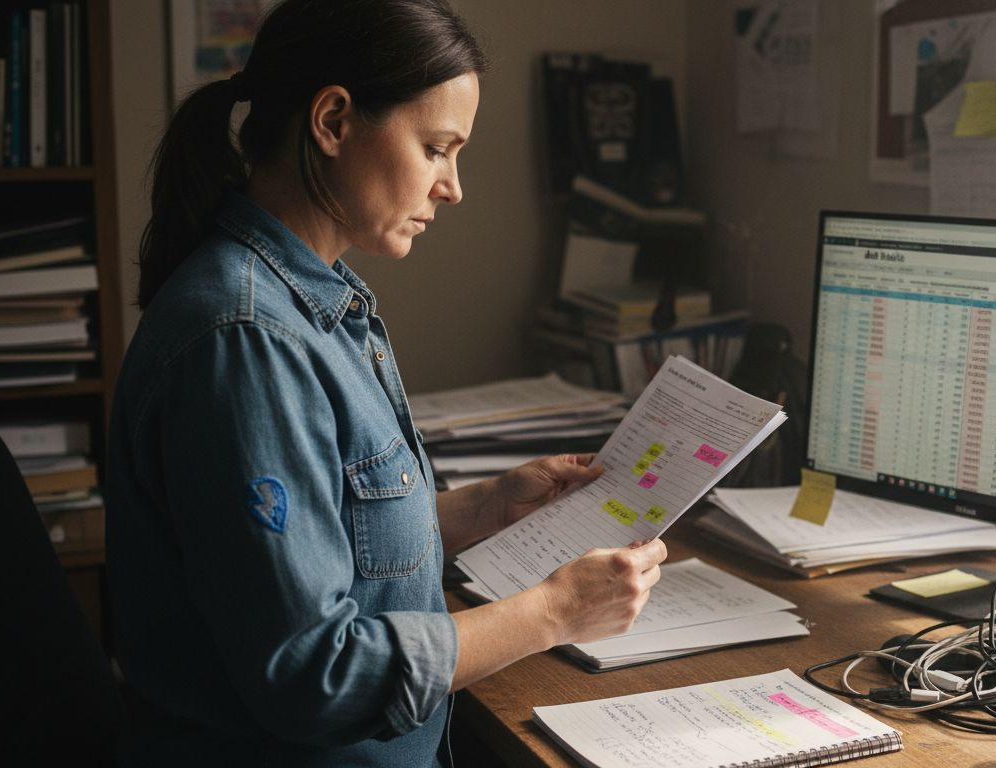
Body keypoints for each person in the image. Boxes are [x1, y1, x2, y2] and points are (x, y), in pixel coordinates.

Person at [105, 1, 668, 765]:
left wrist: (484, 507)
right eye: (438, 148)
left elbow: (318, 535)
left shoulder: (311, 298)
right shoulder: (247, 341)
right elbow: (318, 674)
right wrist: (556, 611)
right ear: (334, 121)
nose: (453, 186)